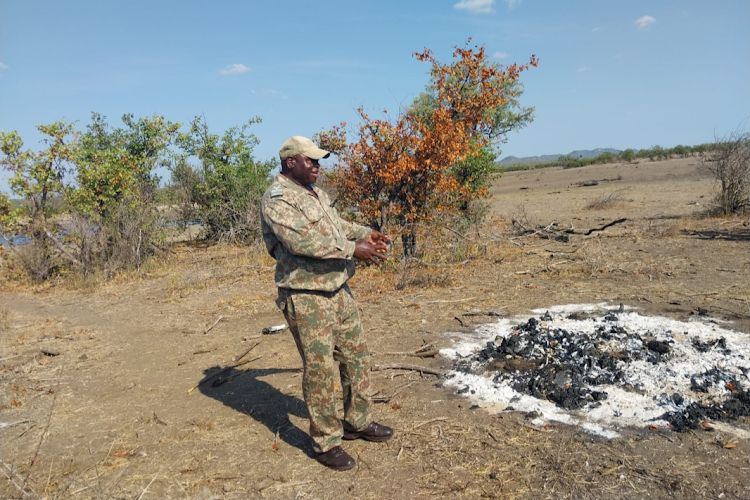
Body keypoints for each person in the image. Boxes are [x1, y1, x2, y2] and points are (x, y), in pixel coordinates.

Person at [260, 136, 394, 471]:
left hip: (337, 288)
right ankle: (325, 443)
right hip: (306, 296)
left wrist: (367, 233)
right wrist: (354, 249)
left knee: (356, 357)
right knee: (319, 371)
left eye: (319, 161)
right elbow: (300, 241)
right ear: (291, 162)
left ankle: (357, 422)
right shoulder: (277, 199)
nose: (318, 166)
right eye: (312, 161)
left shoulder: (315, 193)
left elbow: (338, 227)